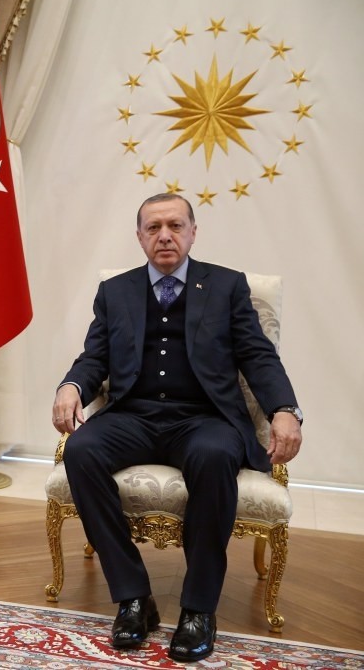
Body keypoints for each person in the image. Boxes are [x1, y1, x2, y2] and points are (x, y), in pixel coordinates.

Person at [51, 193, 302, 663]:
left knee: (213, 455)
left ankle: (197, 609)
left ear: (192, 231)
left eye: (174, 225)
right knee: (81, 451)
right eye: (153, 227)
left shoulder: (227, 286)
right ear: (140, 236)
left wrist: (285, 409)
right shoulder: (116, 291)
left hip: (205, 418)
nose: (164, 235)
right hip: (135, 415)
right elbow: (95, 358)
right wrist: (71, 386)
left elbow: (258, 356)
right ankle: (133, 597)